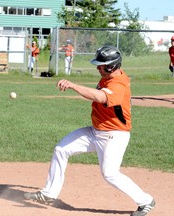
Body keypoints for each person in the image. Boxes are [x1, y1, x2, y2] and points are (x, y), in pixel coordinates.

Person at [24, 46, 155, 216]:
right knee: (61, 149)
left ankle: (146, 201)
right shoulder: (108, 77)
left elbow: (101, 97)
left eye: (101, 65)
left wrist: (73, 85)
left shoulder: (119, 83)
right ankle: (49, 194)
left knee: (110, 174)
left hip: (114, 135)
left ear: (111, 66)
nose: (98, 68)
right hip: (95, 132)